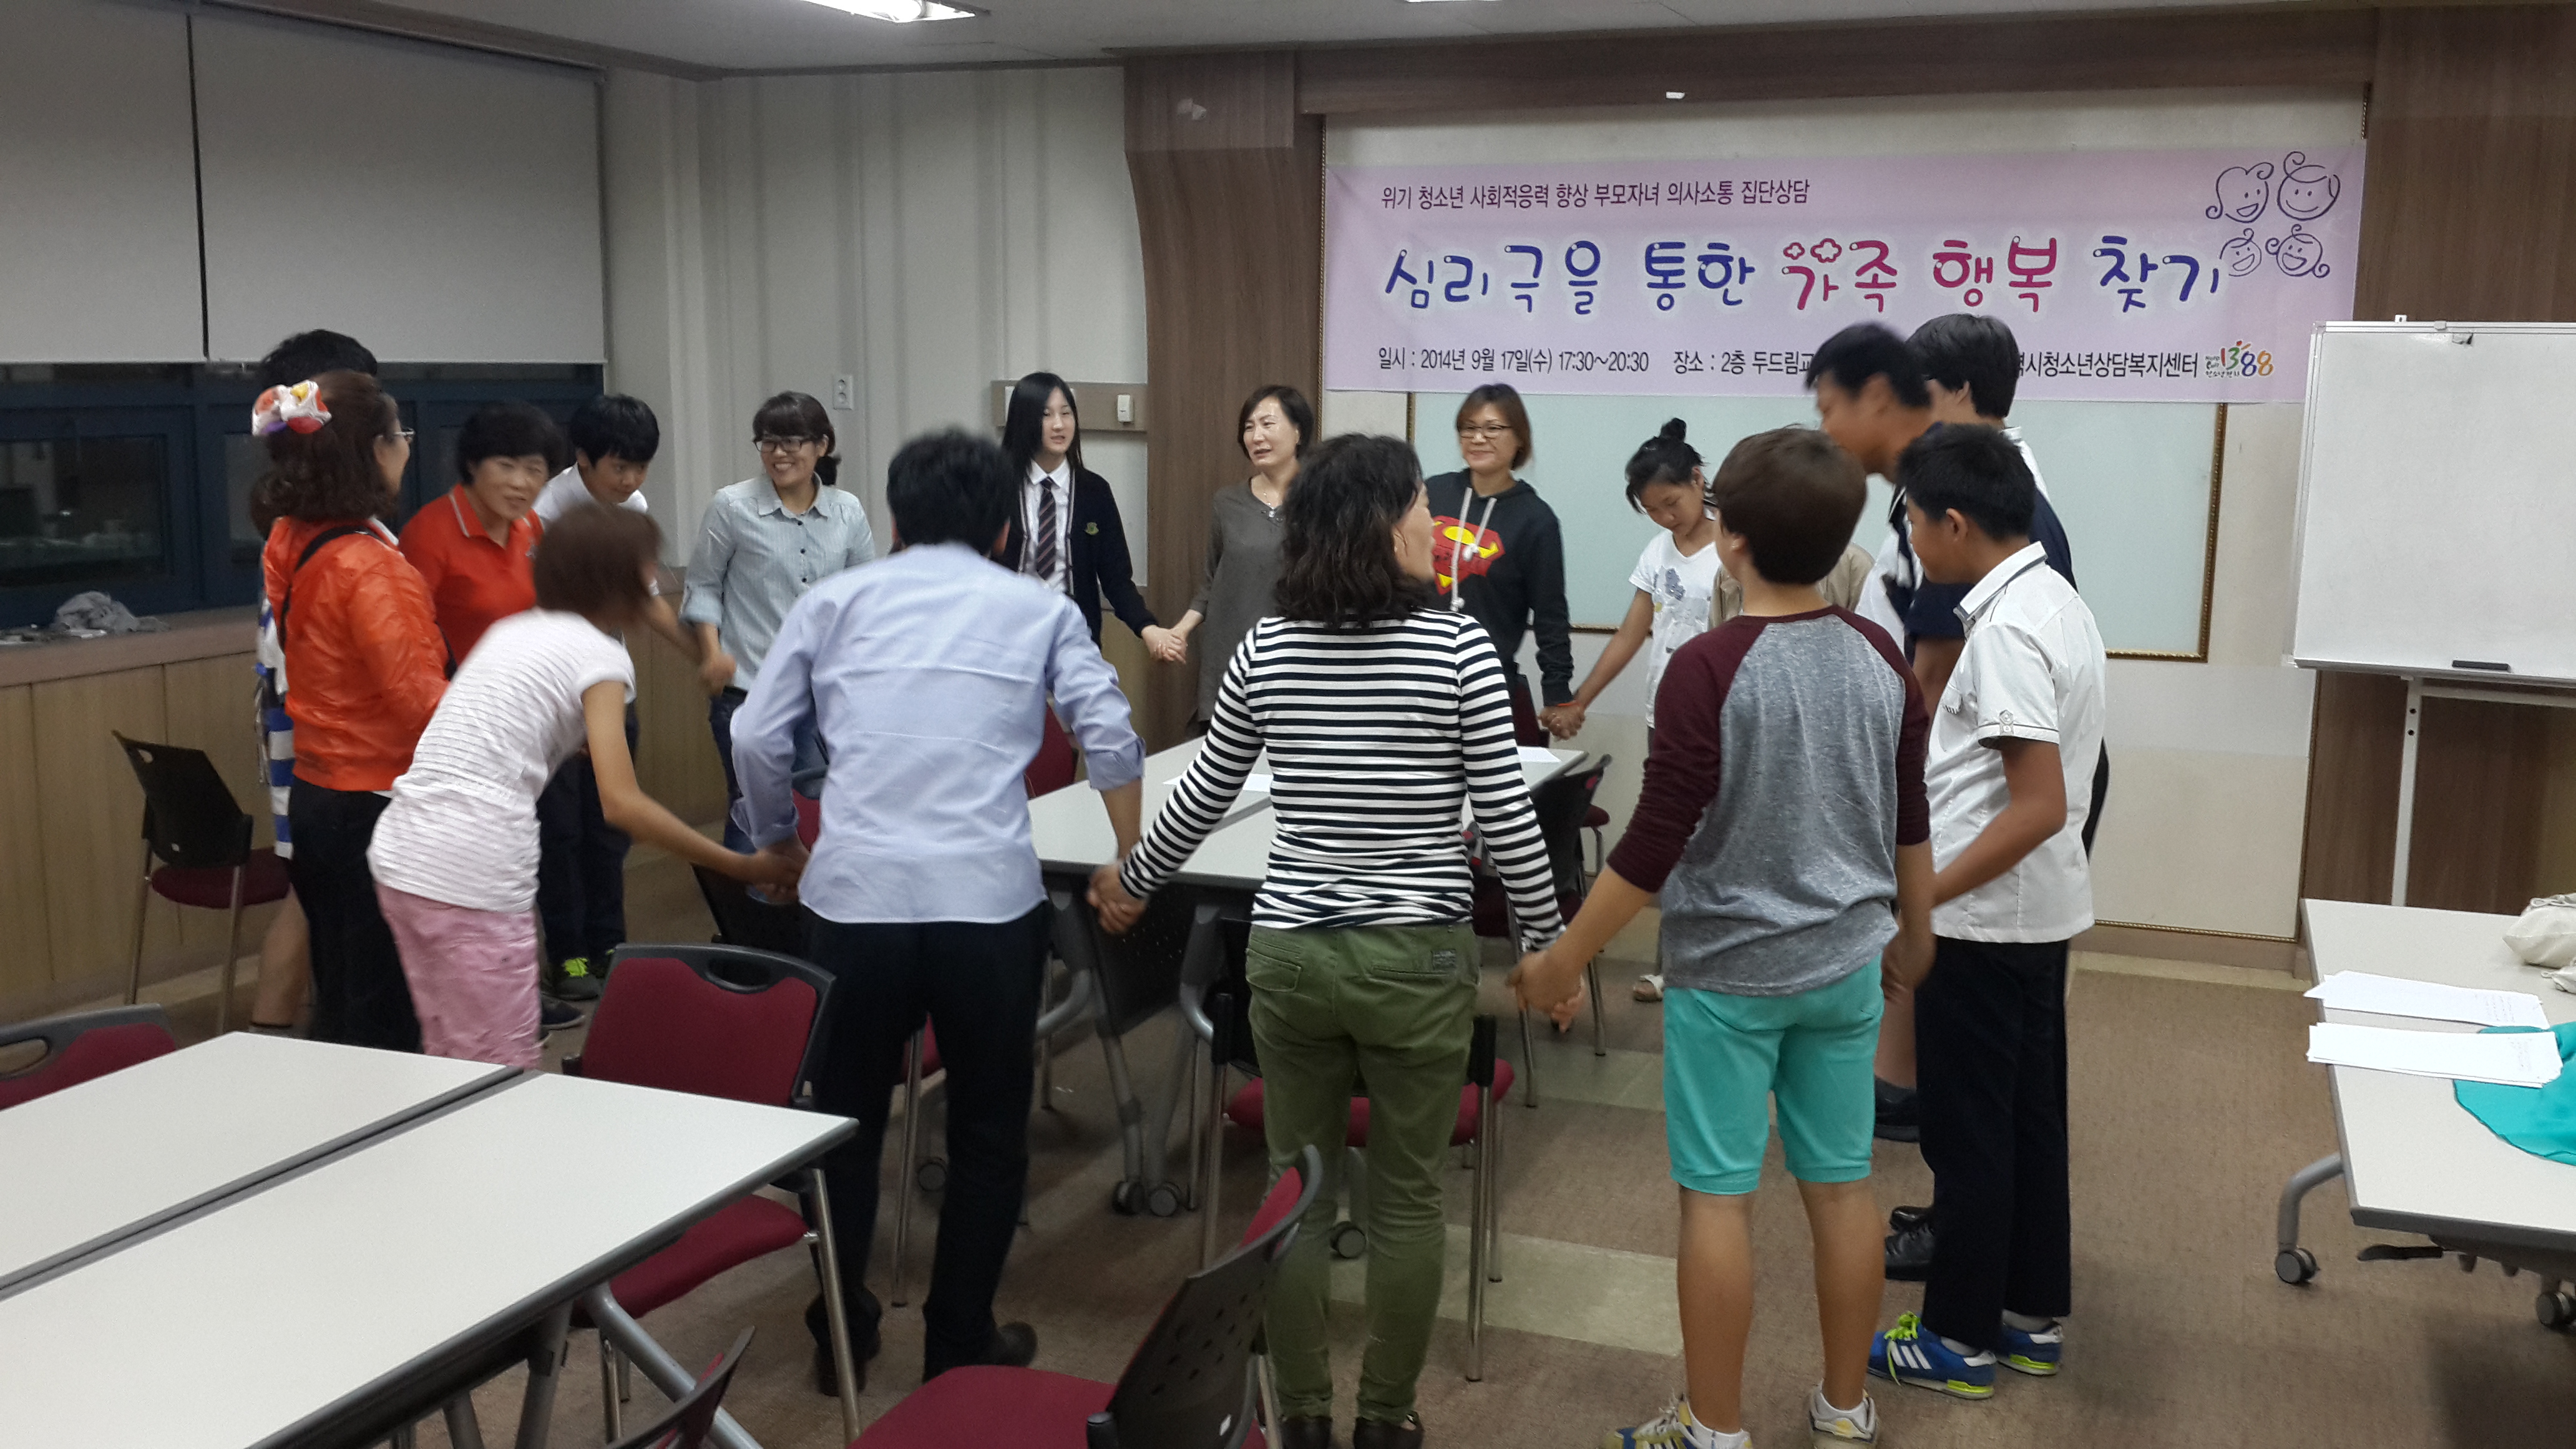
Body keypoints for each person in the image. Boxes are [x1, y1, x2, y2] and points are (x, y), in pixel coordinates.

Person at [1093, 433, 1563, 1449]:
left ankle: (1301, 1416)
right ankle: (1384, 1421)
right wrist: (1551, 950)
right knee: (1407, 1200)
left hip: (1294, 955)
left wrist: (1131, 879)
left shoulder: (1269, 646)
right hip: (1417, 958)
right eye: (1418, 508)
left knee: (1292, 1187)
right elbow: (1509, 820)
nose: (1432, 524)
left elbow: (1202, 797)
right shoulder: (1457, 647)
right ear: (1382, 526)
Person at [1512, 427, 1933, 1449]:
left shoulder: (1707, 666)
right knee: (1841, 1189)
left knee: (1716, 1199)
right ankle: (1845, 1409)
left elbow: (1653, 842)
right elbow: (1909, 817)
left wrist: (1565, 954)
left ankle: (1714, 1427)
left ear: (1730, 540)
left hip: (1727, 977)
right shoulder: (1880, 655)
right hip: (1846, 967)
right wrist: (1915, 937)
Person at [733, 429, 1144, 1394]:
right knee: (989, 1130)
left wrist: (777, 839)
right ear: (1003, 527)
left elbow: (756, 734)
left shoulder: (834, 600)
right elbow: (1112, 735)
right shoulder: (1038, 607)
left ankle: (843, 1329)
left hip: (855, 902)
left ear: (893, 516)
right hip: (986, 907)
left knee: (842, 1123)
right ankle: (959, 1341)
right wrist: (1126, 860)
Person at [369, 506, 799, 1068]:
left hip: (402, 851)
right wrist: (737, 866)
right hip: (471, 866)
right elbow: (621, 804)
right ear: (621, 579)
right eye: (647, 570)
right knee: (497, 1061)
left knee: (448, 1046)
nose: (654, 582)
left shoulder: (512, 629)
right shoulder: (601, 658)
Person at [1865, 424, 2104, 1405]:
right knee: (2027, 1123)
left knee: (1969, 1134)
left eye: (1916, 525)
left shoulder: (2004, 630)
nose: (1914, 545)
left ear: (1955, 521)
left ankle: (1958, 1336)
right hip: (2032, 915)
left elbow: (2037, 803)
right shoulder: (2055, 601)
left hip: (1984, 922)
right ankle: (2027, 1316)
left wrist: (1923, 896)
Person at [1807, 322, 2081, 1148]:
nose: (1826, 428)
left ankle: (1957, 1184)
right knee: (2001, 1057)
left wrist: (1892, 800)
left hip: (1983, 784)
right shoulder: (1975, 490)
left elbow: (1933, 672)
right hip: (1989, 778)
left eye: (1830, 407)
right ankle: (1920, 1107)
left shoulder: (1954, 504)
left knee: (1980, 1042)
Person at [258, 371, 447, 1051]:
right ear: (372, 451)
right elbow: (422, 705)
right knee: (386, 1013)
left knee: (342, 992)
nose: (407, 449)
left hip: (316, 795)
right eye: (399, 436)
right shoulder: (371, 567)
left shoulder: (289, 538)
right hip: (378, 805)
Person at [529, 394, 700, 1005]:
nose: (630, 482)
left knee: (609, 829)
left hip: (612, 689)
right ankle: (568, 955)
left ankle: (609, 946)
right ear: (583, 459)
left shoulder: (632, 506)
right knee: (561, 834)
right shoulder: (544, 514)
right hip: (557, 697)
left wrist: (698, 652)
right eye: (618, 467)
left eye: (640, 467)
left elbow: (641, 597)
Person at [242, 331, 379, 1034]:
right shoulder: (331, 540)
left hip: (306, 744)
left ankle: (288, 1044)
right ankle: (274, 1046)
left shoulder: (297, 523)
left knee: (316, 911)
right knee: (314, 910)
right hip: (324, 755)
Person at [681, 391, 878, 850]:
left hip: (821, 691)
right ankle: (746, 896)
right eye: (768, 442)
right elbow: (703, 586)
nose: (778, 453)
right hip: (747, 689)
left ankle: (807, 893)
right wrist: (711, 654)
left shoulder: (847, 511)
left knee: (820, 803)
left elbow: (864, 598)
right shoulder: (732, 507)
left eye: (792, 441)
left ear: (822, 446)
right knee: (753, 806)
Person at [1153, 384, 1312, 727]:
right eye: (1249, 427)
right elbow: (1211, 582)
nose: (1257, 437)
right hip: (1230, 654)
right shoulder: (1227, 502)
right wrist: (1179, 631)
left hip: (1296, 659)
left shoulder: (1323, 500)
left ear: (1298, 432)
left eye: (1268, 424)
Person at [1424, 384, 1572, 744]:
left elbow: (1551, 614)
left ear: (1519, 438)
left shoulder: (1536, 519)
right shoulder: (1432, 493)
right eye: (1469, 428)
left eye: (1492, 429)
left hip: (1486, 680)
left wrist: (1558, 694)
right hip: (1418, 671)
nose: (1478, 438)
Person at [997, 371, 1171, 654]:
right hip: (1009, 635)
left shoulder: (1094, 491)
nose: (1059, 425)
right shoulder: (998, 486)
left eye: (1066, 413)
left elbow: (1116, 579)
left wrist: (1147, 627)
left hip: (1074, 637)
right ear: (1024, 419)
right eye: (1046, 415)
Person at [400, 401, 559, 669]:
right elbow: (408, 638)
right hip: (458, 688)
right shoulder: (428, 533)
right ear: (473, 465)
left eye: (534, 470)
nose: (520, 483)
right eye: (506, 466)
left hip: (523, 680)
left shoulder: (529, 523)